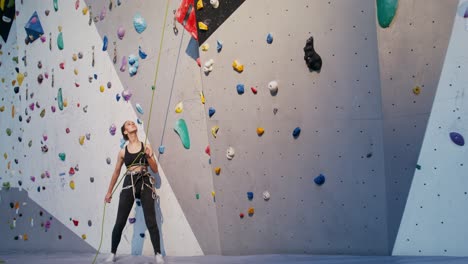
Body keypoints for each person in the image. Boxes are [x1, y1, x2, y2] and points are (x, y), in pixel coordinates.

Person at [104, 120, 164, 263]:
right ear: (125, 131)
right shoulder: (122, 152)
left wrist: (149, 156)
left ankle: (158, 254)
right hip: (129, 183)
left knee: (151, 220)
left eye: (133, 123)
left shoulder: (146, 146)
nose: (132, 124)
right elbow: (116, 173)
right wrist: (109, 192)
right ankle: (112, 254)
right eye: (129, 124)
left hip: (144, 182)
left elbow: (155, 169)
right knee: (120, 221)